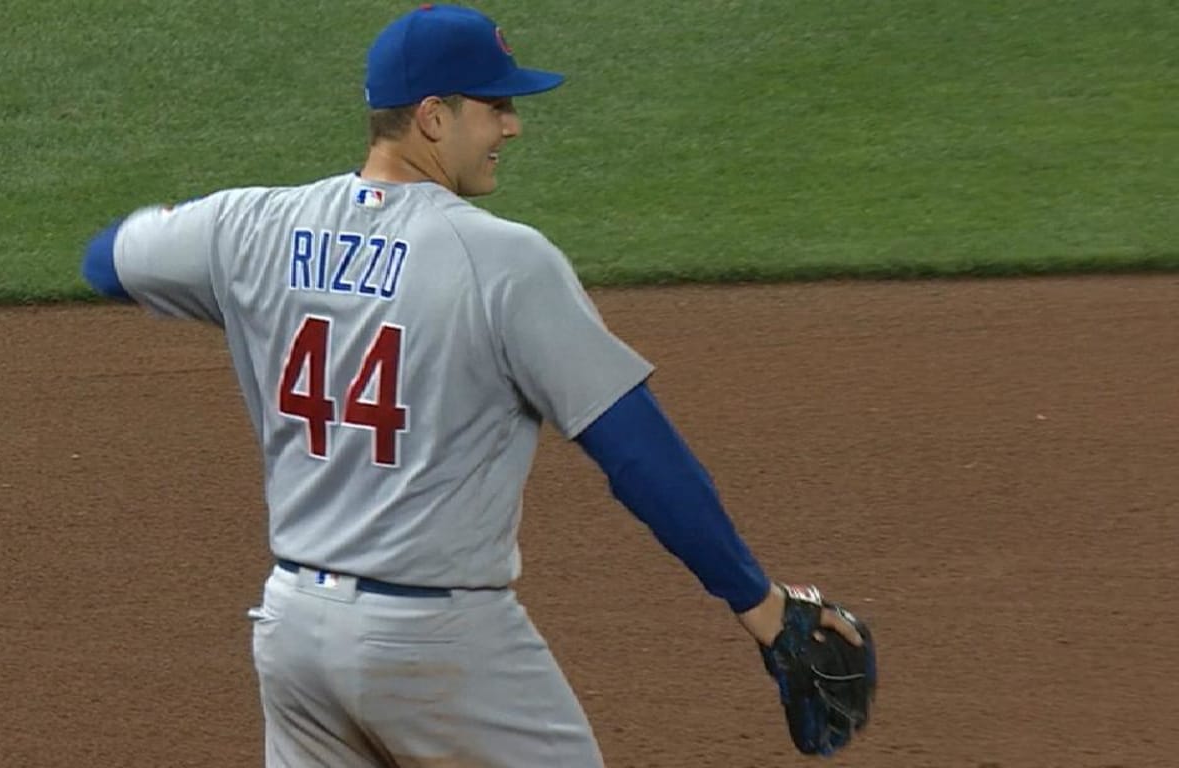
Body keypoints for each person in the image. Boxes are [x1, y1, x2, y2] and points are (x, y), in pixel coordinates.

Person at [81, 4, 867, 766]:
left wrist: (268, 294)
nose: (512, 126)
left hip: (294, 634)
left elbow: (107, 260)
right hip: (438, 650)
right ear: (432, 117)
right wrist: (759, 605)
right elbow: (636, 454)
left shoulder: (248, 228)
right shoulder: (502, 259)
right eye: (495, 106)